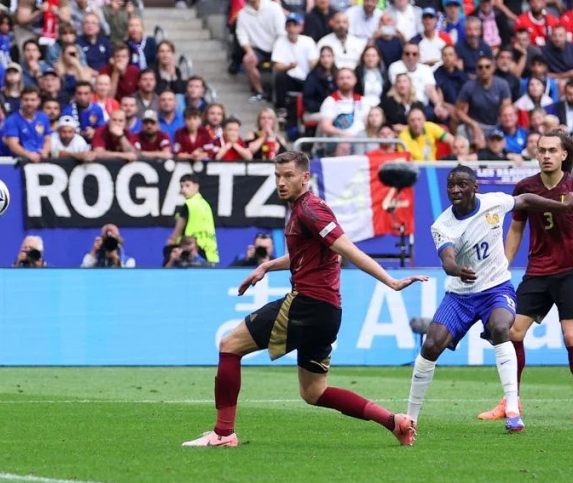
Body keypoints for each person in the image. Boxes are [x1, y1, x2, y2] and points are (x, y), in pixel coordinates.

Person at [182, 151, 427, 448]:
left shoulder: (311, 210)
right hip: (327, 312)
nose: (281, 182)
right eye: (277, 176)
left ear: (305, 177)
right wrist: (266, 266)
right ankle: (395, 422)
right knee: (313, 392)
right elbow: (305, 254)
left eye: (288, 175)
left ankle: (222, 433)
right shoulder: (304, 210)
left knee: (229, 345)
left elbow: (346, 248)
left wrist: (390, 280)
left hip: (308, 304)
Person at [406, 165, 573, 433]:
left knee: (501, 328)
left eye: (462, 184)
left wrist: (562, 205)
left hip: (496, 289)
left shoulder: (494, 202)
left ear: (475, 187)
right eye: (451, 185)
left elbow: (525, 200)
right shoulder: (442, 225)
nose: (455, 189)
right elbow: (447, 259)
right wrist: (456, 270)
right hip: (459, 295)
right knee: (430, 345)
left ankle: (512, 410)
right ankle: (410, 417)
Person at [477, 130, 573, 423]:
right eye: (542, 150)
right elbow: (515, 230)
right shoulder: (526, 188)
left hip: (570, 271)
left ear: (564, 155)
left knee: (570, 334)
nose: (546, 155)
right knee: (512, 332)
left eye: (552, 150)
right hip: (537, 271)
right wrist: (502, 267)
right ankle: (511, 402)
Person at [167, 173, 219, 264]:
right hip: (210, 254)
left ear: (196, 186)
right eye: (181, 186)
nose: (183, 189)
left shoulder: (188, 205)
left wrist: (170, 243)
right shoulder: (205, 205)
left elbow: (177, 231)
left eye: (187, 186)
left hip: (193, 253)